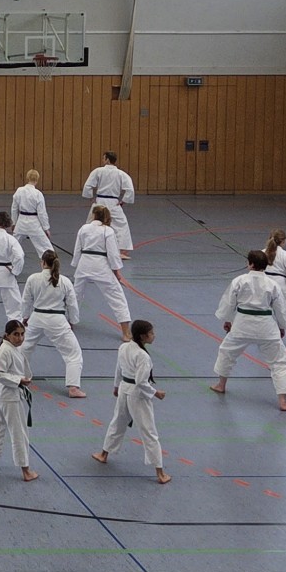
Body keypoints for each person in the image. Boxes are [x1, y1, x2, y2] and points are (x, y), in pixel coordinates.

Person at [212, 249, 286, 412]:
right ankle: (283, 401)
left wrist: (227, 320)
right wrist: (281, 326)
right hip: (266, 327)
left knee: (227, 352)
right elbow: (280, 308)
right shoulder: (272, 284)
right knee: (279, 362)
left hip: (242, 325)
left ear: (250, 264)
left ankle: (221, 385)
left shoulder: (239, 281)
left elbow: (229, 303)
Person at [93, 320, 169, 484]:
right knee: (149, 431)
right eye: (151, 333)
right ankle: (160, 473)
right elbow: (141, 382)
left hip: (124, 388)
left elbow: (118, 369)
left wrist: (116, 386)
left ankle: (103, 454)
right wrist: (156, 393)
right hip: (137, 394)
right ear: (142, 336)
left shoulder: (124, 347)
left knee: (118, 422)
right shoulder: (143, 356)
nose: (154, 335)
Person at [0, 318, 36, 481]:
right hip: (9, 396)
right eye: (16, 334)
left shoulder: (12, 348)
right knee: (19, 433)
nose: (20, 338)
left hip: (2, 394)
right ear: (7, 335)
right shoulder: (5, 350)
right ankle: (26, 470)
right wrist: (19, 380)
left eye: (22, 334)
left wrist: (23, 379)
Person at [71, 206, 132, 341]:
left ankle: (69, 322)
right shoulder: (108, 231)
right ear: (106, 216)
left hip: (84, 264)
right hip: (101, 266)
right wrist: (116, 271)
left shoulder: (84, 228)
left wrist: (76, 263)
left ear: (93, 215)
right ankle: (126, 333)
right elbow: (113, 254)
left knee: (75, 294)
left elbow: (77, 248)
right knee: (116, 296)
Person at [80, 151, 136, 260]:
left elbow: (88, 186)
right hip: (114, 202)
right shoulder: (121, 174)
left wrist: (91, 198)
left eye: (103, 158)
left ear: (107, 160)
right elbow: (130, 190)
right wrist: (123, 201)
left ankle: (88, 246)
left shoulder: (98, 171)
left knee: (93, 223)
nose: (102, 160)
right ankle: (120, 251)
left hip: (100, 201)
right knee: (120, 225)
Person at [9, 170, 53, 261]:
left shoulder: (19, 191)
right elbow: (42, 213)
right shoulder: (38, 194)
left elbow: (14, 208)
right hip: (34, 224)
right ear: (37, 179)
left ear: (27, 178)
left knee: (13, 246)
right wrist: (46, 228)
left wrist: (14, 223)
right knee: (46, 248)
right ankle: (51, 265)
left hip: (21, 222)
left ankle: (5, 263)